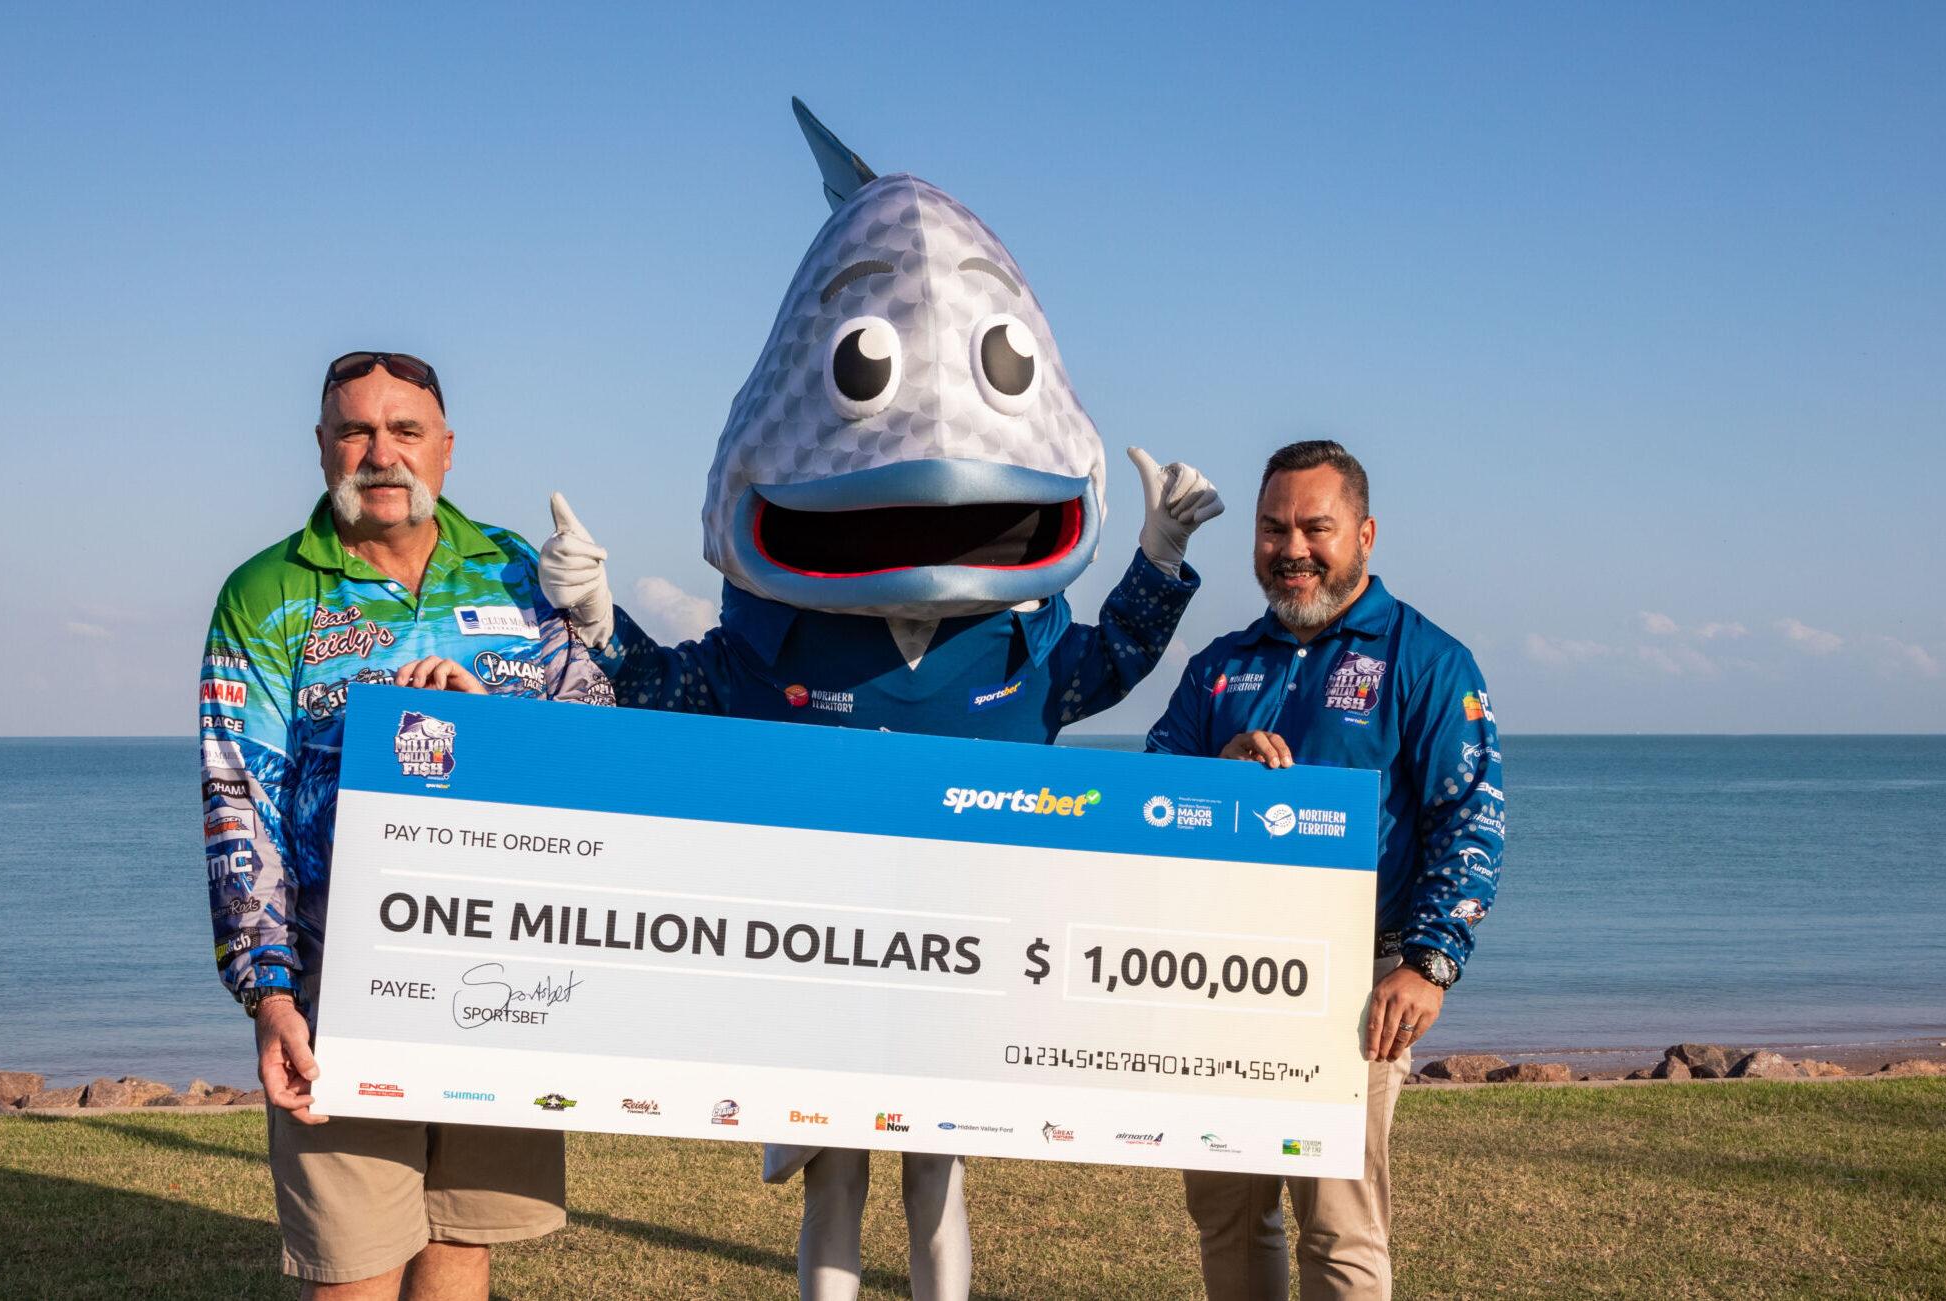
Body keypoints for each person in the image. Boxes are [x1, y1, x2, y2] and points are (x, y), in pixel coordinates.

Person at [540, 100, 1223, 1301]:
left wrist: (1161, 555)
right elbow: (666, 693)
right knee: (835, 1175)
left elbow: (1111, 659)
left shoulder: (1018, 660)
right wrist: (596, 618)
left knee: (938, 1177)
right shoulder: (776, 657)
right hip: (826, 972)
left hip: (964, 968)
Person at [199, 350, 612, 1298]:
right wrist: (268, 994)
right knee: (353, 1266)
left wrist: (494, 728)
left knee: (462, 1242)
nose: (380, 453)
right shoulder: (266, 596)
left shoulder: (517, 571)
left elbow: (597, 752)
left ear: (446, 449)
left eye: (405, 431)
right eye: (355, 430)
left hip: (508, 971)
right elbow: (238, 802)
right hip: (339, 986)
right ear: (321, 447)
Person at [1144, 439, 1504, 1301]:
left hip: (1358, 980)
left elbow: (1473, 818)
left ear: (1365, 535)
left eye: (1316, 527)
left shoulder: (1426, 659)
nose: (1291, 548)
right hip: (1221, 979)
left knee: (1338, 1227)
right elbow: (1149, 799)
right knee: (1227, 1213)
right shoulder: (1218, 667)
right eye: (1273, 529)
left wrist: (1427, 965)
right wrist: (1213, 773)